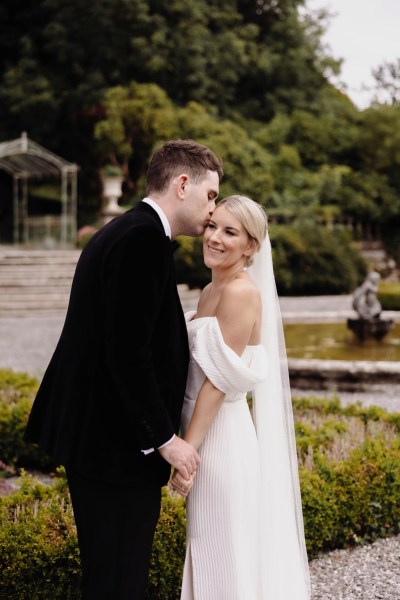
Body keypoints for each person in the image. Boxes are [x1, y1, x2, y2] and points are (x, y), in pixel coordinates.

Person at [24, 139, 223, 599]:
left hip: (102, 438)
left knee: (111, 572)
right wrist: (165, 440)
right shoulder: (141, 240)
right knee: (118, 578)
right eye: (210, 195)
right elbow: (128, 354)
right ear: (182, 183)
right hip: (114, 445)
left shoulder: (127, 230)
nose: (212, 210)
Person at [170, 195, 311, 599]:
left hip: (221, 441)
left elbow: (216, 383)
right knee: (209, 547)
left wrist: (187, 454)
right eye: (213, 225)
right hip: (202, 430)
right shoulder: (212, 288)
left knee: (224, 549)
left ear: (251, 246)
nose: (213, 237)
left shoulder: (240, 293)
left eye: (229, 232)